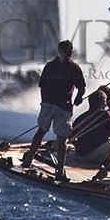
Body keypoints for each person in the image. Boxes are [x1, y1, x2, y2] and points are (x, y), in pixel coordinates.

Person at [21, 40, 86, 179]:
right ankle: (60, 171)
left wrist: (44, 102)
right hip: (64, 107)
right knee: (62, 139)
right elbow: (82, 88)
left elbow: (42, 86)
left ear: (58, 51)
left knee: (41, 131)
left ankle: (28, 160)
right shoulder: (74, 68)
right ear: (71, 52)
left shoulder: (49, 66)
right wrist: (78, 99)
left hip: (48, 105)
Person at [70, 90, 110, 181]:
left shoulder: (81, 117)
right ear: (102, 102)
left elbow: (71, 136)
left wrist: (79, 146)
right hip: (96, 153)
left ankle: (107, 162)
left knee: (107, 143)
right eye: (105, 101)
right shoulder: (105, 114)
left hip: (83, 153)